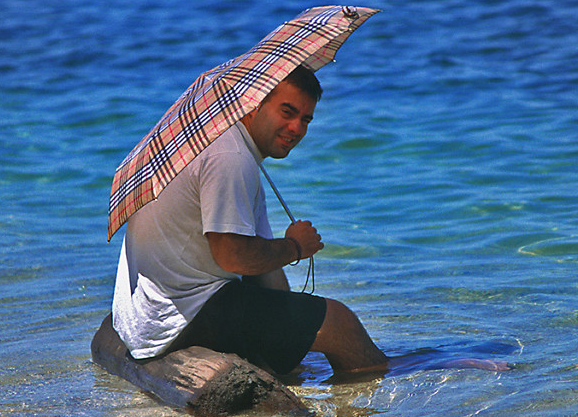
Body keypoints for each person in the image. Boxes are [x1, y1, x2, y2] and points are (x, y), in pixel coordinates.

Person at [112, 66, 388, 375]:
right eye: (287, 112)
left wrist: (291, 329)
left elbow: (264, 271)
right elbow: (233, 256)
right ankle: (380, 390)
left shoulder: (223, 143)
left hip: (145, 318)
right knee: (339, 324)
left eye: (306, 119)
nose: (296, 128)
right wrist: (295, 246)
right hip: (180, 320)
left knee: (306, 324)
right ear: (253, 103)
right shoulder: (230, 156)